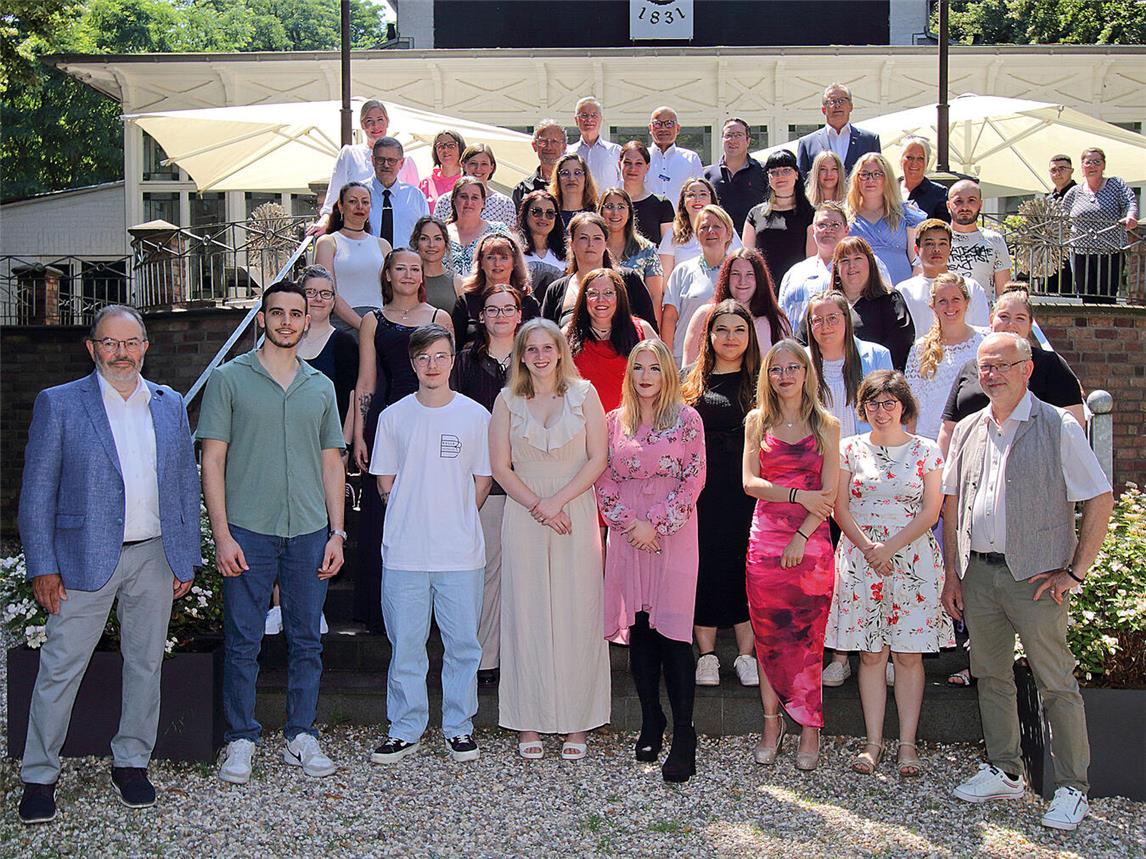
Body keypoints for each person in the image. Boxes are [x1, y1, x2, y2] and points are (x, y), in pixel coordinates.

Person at [16, 306, 200, 824]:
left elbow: (183, 485)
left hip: (154, 556)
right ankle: (38, 776)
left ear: (146, 346)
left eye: (132, 342)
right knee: (60, 667)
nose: (122, 353)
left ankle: (132, 763)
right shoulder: (60, 405)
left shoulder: (169, 404)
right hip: (80, 560)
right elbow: (36, 495)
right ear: (92, 347)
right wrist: (43, 566)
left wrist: (184, 554)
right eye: (110, 342)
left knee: (145, 664)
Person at [942, 331, 1114, 831]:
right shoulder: (971, 427)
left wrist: (1074, 572)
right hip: (980, 574)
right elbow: (952, 500)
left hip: (1036, 579)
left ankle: (1072, 789)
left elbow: (1098, 498)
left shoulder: (1058, 425)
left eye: (1000, 365)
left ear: (1027, 369)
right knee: (990, 676)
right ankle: (1005, 769)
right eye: (983, 367)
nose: (989, 374)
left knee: (1055, 682)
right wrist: (953, 572)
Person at [199, 281, 346, 785]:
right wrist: (221, 535)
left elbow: (332, 463)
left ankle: (300, 734)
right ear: (261, 319)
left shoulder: (321, 387)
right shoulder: (228, 380)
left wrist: (338, 533)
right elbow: (212, 459)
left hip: (309, 531)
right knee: (243, 640)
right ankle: (240, 738)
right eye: (276, 312)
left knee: (307, 641)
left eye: (296, 313)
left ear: (308, 321)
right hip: (248, 529)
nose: (286, 321)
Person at [368, 324, 492, 765]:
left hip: (459, 553)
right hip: (405, 552)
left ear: (452, 359)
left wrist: (454, 515)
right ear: (412, 363)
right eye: (423, 358)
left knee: (462, 645)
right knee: (406, 645)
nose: (431, 365)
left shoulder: (476, 416)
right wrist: (410, 510)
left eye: (440, 356)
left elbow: (482, 479)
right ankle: (405, 728)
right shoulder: (393, 416)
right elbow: (386, 479)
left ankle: (458, 727)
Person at [491, 319, 610, 761]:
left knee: (577, 612)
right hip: (524, 513)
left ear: (561, 352)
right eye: (532, 349)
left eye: (548, 348)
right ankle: (529, 719)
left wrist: (557, 501)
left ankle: (577, 720)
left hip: (574, 508)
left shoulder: (585, 395)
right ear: (521, 355)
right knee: (527, 612)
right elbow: (501, 467)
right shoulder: (507, 401)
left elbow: (599, 457)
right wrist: (540, 505)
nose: (540, 356)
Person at [826, 371, 953, 777]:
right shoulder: (847, 449)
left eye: (889, 403)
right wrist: (869, 549)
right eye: (873, 404)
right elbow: (839, 506)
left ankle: (908, 745)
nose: (881, 411)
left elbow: (932, 510)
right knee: (870, 653)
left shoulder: (927, 451)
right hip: (861, 559)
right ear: (862, 409)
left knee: (909, 655)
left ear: (904, 406)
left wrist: (890, 549)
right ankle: (873, 743)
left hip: (912, 561)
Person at [596, 338, 707, 782]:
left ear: (667, 374)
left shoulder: (687, 420)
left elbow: (694, 477)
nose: (645, 376)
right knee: (641, 630)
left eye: (654, 368)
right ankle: (650, 719)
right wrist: (627, 524)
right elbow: (600, 478)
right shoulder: (612, 422)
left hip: (673, 534)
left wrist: (655, 525)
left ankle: (684, 733)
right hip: (627, 537)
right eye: (638, 367)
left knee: (675, 634)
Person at [743, 340, 839, 771]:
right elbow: (749, 483)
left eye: (792, 368)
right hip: (765, 541)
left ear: (806, 372)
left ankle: (809, 726)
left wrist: (802, 534)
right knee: (767, 638)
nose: (784, 376)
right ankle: (771, 723)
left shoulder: (827, 426)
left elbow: (831, 494)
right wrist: (799, 493)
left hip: (812, 543)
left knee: (807, 638)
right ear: (768, 375)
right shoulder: (756, 422)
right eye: (776, 369)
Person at [353, 250, 453, 632]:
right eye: (401, 268)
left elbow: (448, 373)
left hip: (433, 419)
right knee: (387, 511)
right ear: (388, 275)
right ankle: (382, 610)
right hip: (391, 421)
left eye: (415, 268)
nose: (409, 274)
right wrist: (362, 432)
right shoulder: (371, 321)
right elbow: (366, 380)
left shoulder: (439, 318)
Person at [681, 301, 761, 688]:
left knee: (744, 569)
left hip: (748, 493)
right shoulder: (688, 382)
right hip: (702, 496)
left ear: (750, 337)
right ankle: (707, 656)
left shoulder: (763, 382)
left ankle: (747, 656)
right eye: (722, 330)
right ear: (708, 336)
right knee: (706, 568)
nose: (730, 338)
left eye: (739, 330)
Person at [450, 284, 524, 686]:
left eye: (507, 309)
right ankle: (486, 659)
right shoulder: (463, 361)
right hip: (485, 484)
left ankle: (523, 657)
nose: (499, 316)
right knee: (489, 572)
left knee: (525, 575)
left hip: (531, 482)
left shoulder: (535, 358)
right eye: (491, 309)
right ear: (481, 317)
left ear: (519, 314)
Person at [938, 285, 1085, 456]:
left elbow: (1074, 424)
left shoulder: (1051, 365)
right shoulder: (970, 367)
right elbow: (949, 429)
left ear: (1030, 325)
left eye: (1020, 318)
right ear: (991, 320)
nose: (1011, 324)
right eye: (1004, 317)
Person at [309, 99, 419, 235]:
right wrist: (324, 222)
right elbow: (334, 196)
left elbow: (414, 204)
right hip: (357, 233)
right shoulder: (349, 154)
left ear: (387, 122)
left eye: (380, 120)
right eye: (369, 121)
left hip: (397, 233)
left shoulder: (405, 161)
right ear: (362, 124)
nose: (375, 126)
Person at [779, 202, 892, 333]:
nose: (828, 230)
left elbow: (887, 306)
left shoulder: (870, 264)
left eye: (835, 225)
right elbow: (780, 320)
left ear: (846, 230)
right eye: (822, 225)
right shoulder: (795, 273)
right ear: (813, 230)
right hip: (800, 349)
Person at [539, 211, 656, 329]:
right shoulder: (556, 290)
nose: (590, 244)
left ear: (606, 243)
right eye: (583, 238)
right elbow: (546, 337)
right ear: (572, 244)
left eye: (597, 238)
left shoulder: (629, 280)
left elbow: (650, 335)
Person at [905, 273, 985, 440]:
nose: (950, 306)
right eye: (943, 301)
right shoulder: (920, 348)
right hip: (928, 440)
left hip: (971, 436)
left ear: (967, 302)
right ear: (933, 306)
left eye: (956, 299)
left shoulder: (983, 343)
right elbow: (912, 404)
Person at [817, 236, 915, 371]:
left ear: (870, 263)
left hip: (875, 382)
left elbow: (900, 345)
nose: (852, 266)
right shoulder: (824, 305)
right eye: (845, 260)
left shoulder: (890, 300)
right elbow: (804, 343)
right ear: (836, 268)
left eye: (858, 258)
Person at [805, 290, 894, 441]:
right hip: (817, 454)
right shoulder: (800, 362)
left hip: (866, 454)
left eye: (832, 318)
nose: (825, 326)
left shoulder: (878, 356)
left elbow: (892, 410)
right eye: (818, 320)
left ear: (846, 319)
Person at [566, 268, 656, 414]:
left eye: (608, 293)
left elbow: (666, 376)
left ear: (619, 297)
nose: (601, 300)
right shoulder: (567, 335)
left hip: (632, 425)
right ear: (584, 298)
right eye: (593, 294)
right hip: (584, 426)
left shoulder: (642, 330)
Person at [681, 247, 791, 365]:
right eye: (735, 274)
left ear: (759, 279)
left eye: (750, 274)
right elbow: (688, 370)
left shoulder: (777, 321)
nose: (742, 281)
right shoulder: (704, 316)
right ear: (726, 278)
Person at [1061, 146, 1139, 305]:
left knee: (1107, 296)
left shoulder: (1115, 184)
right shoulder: (1074, 192)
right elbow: (1060, 216)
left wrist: (1130, 217)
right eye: (1088, 162)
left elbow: (1130, 202)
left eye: (1097, 162)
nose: (1092, 166)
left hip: (1110, 251)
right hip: (1080, 252)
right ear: (1082, 167)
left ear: (1103, 165)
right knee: (1085, 295)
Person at [661, 205, 737, 365]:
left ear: (729, 233)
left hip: (728, 361)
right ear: (696, 234)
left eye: (717, 226)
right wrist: (666, 361)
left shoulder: (738, 271)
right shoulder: (682, 270)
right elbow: (669, 317)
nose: (711, 231)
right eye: (704, 227)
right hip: (686, 360)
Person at [313, 182, 391, 334]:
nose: (360, 206)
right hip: (342, 326)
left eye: (365, 202)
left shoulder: (383, 245)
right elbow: (328, 292)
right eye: (353, 201)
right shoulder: (328, 243)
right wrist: (363, 325)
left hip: (379, 323)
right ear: (341, 207)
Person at [450, 232, 541, 353]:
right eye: (490, 257)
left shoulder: (528, 303)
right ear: (481, 263)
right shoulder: (465, 302)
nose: (497, 264)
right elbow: (456, 348)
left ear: (514, 263)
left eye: (504, 258)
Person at [895, 218, 990, 333]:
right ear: (916, 250)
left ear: (950, 249)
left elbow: (981, 331)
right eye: (929, 244)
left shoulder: (971, 287)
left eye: (942, 243)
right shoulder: (903, 290)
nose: (936, 249)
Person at [296, 265, 358, 434]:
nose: (318, 299)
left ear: (333, 301)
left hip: (329, 441)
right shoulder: (286, 341)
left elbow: (352, 397)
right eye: (310, 292)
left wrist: (344, 445)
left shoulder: (344, 343)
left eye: (325, 294)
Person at [847, 152, 925, 286]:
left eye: (877, 174)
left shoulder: (907, 215)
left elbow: (917, 261)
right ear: (856, 179)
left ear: (887, 178)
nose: (870, 180)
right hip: (858, 292)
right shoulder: (845, 217)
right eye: (864, 174)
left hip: (900, 291)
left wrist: (910, 293)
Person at [743, 150, 816, 284]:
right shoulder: (755, 214)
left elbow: (811, 262)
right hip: (762, 287)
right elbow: (747, 259)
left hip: (797, 286)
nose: (780, 176)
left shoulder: (810, 214)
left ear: (796, 174)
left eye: (786, 170)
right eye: (774, 172)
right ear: (768, 177)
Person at [600, 187, 665, 320]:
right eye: (609, 206)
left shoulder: (646, 249)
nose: (615, 212)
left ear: (629, 213)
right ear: (600, 211)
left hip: (636, 326)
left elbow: (655, 297)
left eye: (621, 206)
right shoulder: (594, 247)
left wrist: (653, 334)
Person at [658, 178, 744, 279]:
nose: (697, 199)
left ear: (711, 199)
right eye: (691, 195)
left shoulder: (726, 230)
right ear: (683, 202)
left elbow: (740, 264)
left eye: (703, 194)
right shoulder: (672, 235)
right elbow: (665, 278)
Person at [946, 179, 1012, 300]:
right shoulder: (936, 240)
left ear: (980, 204)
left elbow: (1004, 293)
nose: (965, 207)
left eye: (971, 200)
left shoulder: (995, 240)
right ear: (948, 205)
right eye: (958, 201)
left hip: (982, 316)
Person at [796, 83, 881, 175]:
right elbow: (802, 181)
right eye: (832, 101)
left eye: (842, 101)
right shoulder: (807, 143)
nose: (837, 105)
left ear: (851, 106)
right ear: (824, 109)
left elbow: (877, 175)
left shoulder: (869, 140)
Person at [704, 118, 768, 235]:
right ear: (722, 139)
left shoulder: (764, 172)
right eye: (728, 135)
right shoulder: (708, 175)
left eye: (738, 135)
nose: (732, 140)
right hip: (718, 241)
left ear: (748, 141)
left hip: (755, 240)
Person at [433, 143, 518, 228]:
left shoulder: (504, 203)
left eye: (484, 164)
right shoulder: (445, 201)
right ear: (463, 165)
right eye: (473, 163)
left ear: (491, 167)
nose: (478, 169)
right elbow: (436, 233)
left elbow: (511, 237)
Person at [368, 137, 428, 250]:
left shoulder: (415, 196)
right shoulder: (358, 194)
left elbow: (425, 235)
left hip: (406, 264)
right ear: (372, 160)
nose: (386, 165)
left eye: (391, 160)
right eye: (381, 159)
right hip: (367, 264)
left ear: (401, 163)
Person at [445, 177, 510, 276]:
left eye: (475, 197)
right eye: (463, 196)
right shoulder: (441, 234)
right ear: (454, 200)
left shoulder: (498, 231)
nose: (469, 203)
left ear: (483, 202)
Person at [646, 106, 703, 207]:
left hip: (680, 221)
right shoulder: (640, 157)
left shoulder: (691, 158)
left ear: (678, 128)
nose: (663, 128)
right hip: (646, 220)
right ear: (650, 128)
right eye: (658, 124)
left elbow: (700, 194)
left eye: (669, 124)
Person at [623, 140, 678, 245]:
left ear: (647, 167)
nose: (632, 168)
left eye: (639, 163)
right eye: (627, 163)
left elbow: (667, 248)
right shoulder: (609, 203)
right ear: (619, 164)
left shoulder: (662, 204)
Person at [412, 215, 465, 313]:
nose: (431, 245)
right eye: (424, 238)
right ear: (416, 242)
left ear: (446, 243)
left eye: (438, 239)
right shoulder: (407, 279)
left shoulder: (458, 282)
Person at [568, 96, 621, 190]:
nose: (589, 119)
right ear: (576, 120)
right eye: (584, 115)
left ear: (600, 119)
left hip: (606, 204)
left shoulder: (616, 151)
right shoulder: (568, 153)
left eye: (594, 115)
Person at [513, 120, 567, 211]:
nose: (549, 147)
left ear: (564, 147)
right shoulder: (522, 189)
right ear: (534, 146)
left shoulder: (574, 184)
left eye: (554, 141)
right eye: (543, 141)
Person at [1044, 154, 1077, 295]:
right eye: (1053, 170)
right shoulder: (1049, 198)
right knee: (1051, 292)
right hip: (1051, 253)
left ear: (1071, 170)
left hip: (1073, 250)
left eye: (1062, 169)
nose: (1057, 173)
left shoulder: (1080, 193)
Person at [899, 136, 950, 222]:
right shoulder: (889, 188)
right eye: (909, 157)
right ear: (901, 160)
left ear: (927, 162)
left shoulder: (939, 193)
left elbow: (944, 229)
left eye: (920, 158)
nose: (914, 163)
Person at [517, 189, 567, 274]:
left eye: (550, 213)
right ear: (525, 214)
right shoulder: (515, 250)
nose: (543, 218)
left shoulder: (566, 254)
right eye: (537, 212)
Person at [418, 129, 466, 210]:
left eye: (451, 145)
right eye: (440, 146)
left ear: (461, 148)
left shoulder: (469, 182)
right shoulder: (425, 184)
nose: (446, 150)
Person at [550, 153, 600, 228]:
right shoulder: (550, 214)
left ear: (586, 178)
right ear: (558, 178)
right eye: (565, 173)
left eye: (577, 173)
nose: (571, 178)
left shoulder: (598, 213)